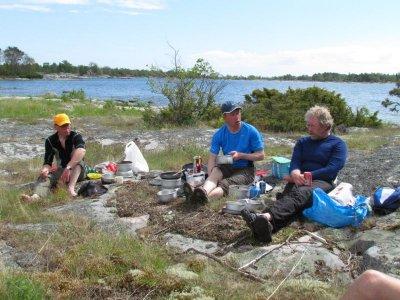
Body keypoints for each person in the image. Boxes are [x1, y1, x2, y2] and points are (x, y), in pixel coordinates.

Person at [241, 106, 347, 243]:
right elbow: (295, 162)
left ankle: (264, 216)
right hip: (298, 179)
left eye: (312, 125)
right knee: (289, 201)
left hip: (323, 182)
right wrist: (295, 172)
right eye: (307, 125)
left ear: (325, 126)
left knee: (299, 195)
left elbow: (333, 168)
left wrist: (307, 175)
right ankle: (267, 228)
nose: (308, 129)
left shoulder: (338, 144)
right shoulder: (303, 142)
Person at [184, 101, 265, 202]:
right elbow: (212, 159)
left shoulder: (251, 131)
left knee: (226, 184)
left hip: (246, 169)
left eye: (238, 113)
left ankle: (201, 199)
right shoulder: (219, 134)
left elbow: (261, 155)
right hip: (228, 165)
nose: (237, 117)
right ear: (225, 117)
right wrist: (211, 174)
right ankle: (202, 191)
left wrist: (241, 155)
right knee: (215, 172)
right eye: (232, 114)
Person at [21, 113, 86, 202]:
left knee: (78, 160)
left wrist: (68, 168)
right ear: (56, 127)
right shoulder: (50, 141)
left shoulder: (76, 136)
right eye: (63, 126)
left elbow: (82, 151)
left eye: (68, 125)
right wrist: (45, 170)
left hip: (78, 171)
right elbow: (47, 161)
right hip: (61, 170)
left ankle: (70, 189)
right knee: (44, 176)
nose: (67, 129)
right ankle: (35, 198)